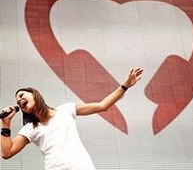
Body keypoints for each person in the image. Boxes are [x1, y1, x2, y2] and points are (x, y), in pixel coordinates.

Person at [1, 68, 143, 170]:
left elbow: (102, 105)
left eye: (21, 95)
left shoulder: (65, 110)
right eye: (17, 101)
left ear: (34, 95)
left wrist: (125, 85)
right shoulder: (30, 129)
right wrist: (6, 123)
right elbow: (7, 153)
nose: (19, 100)